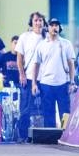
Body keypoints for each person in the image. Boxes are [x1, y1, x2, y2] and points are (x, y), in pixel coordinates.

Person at [31, 18, 76, 129]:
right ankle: (50, 137)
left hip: (63, 83)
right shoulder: (41, 45)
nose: (54, 27)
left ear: (60, 28)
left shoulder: (66, 44)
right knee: (48, 113)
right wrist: (34, 84)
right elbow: (36, 65)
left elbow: (71, 64)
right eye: (52, 25)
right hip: (46, 84)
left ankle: (65, 135)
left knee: (65, 113)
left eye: (56, 25)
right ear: (47, 28)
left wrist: (72, 82)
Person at [15, 12, 46, 141]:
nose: (38, 23)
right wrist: (22, 74)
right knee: (25, 109)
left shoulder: (48, 38)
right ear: (31, 22)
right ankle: (23, 136)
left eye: (41, 20)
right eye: (36, 20)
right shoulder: (25, 37)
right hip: (28, 78)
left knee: (45, 109)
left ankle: (46, 136)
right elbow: (19, 58)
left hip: (45, 79)